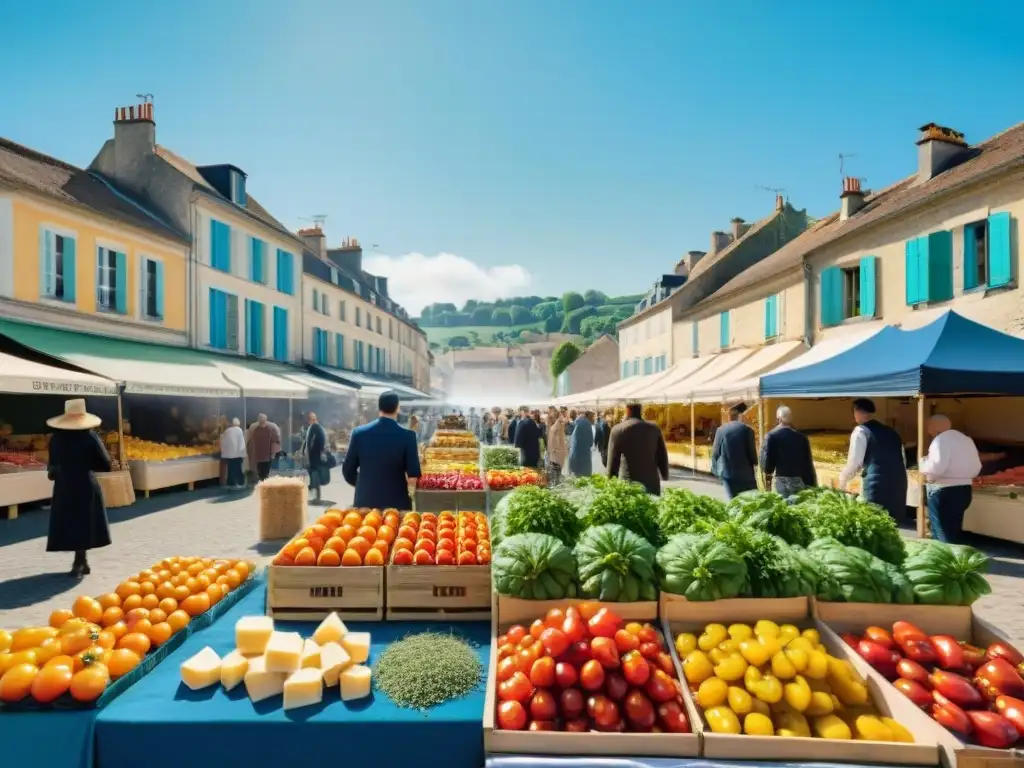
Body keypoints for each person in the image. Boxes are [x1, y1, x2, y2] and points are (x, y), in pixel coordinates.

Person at [45, 399, 112, 578]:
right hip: (85, 483)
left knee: (70, 522)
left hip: (64, 485)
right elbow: (106, 464)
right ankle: (80, 561)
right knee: (85, 522)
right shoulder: (90, 437)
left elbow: (51, 470)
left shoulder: (56, 439)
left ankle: (81, 561)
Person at [342, 391, 421, 509]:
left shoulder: (359, 433)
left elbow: (348, 470)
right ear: (397, 408)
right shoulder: (408, 436)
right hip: (397, 503)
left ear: (379, 408)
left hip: (365, 502)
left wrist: (364, 484)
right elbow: (413, 476)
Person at [839, 398, 908, 521]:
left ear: (857, 411)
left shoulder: (861, 431)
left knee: (875, 523)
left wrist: (843, 480)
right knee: (893, 524)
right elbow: (903, 458)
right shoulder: (891, 432)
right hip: (898, 483)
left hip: (875, 484)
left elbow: (855, 462)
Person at [919, 414, 981, 543]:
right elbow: (977, 466)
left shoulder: (940, 440)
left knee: (942, 531)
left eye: (928, 426)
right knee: (954, 529)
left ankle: (944, 559)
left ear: (933, 426)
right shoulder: (966, 439)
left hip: (944, 490)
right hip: (965, 489)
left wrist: (923, 464)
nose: (927, 430)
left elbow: (936, 467)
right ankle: (955, 558)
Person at [607, 402, 669, 495]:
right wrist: (665, 474)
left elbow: (613, 460)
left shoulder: (618, 430)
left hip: (629, 483)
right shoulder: (654, 429)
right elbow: (662, 455)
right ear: (641, 411)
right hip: (651, 482)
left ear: (627, 410)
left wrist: (610, 482)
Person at [760, 405, 817, 497]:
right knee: (798, 506)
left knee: (784, 507)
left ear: (778, 418)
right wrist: (812, 485)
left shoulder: (771, 436)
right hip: (799, 480)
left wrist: (768, 484)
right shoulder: (801, 437)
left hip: (782, 480)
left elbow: (767, 463)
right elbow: (808, 464)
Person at [711, 403, 758, 499]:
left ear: (729, 416)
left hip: (728, 473)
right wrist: (755, 463)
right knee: (748, 501)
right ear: (740, 415)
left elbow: (715, 452)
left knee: (733, 502)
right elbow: (752, 454)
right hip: (746, 474)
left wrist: (715, 470)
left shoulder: (721, 430)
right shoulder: (748, 430)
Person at [304, 412, 330, 503]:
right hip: (315, 457)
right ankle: (316, 496)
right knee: (314, 477)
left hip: (315, 458)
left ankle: (316, 497)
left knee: (315, 477)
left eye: (313, 419)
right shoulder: (316, 428)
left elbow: (315, 443)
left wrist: (312, 455)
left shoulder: (315, 428)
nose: (312, 421)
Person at [219, 417, 247, 490]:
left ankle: (231, 483)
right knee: (238, 469)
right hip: (237, 454)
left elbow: (223, 442)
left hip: (229, 455)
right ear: (238, 424)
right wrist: (243, 454)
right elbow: (241, 443)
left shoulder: (227, 431)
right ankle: (241, 483)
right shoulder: (239, 430)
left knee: (230, 469)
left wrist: (224, 453)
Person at [247, 414, 274, 482]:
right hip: (265, 454)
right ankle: (263, 481)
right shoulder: (268, 429)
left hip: (260, 454)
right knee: (264, 470)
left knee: (261, 470)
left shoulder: (255, 429)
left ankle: (262, 481)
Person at [568, 410, 595, 477]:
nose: (593, 419)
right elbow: (590, 442)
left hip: (574, 454)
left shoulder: (577, 422)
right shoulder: (587, 424)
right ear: (588, 416)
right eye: (592, 416)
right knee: (584, 477)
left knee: (575, 476)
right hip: (584, 456)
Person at [545, 407, 568, 484]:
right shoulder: (557, 424)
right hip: (556, 452)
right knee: (555, 473)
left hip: (556, 453)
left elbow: (555, 438)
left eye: (550, 412)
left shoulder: (558, 424)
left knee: (555, 474)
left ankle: (555, 487)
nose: (548, 414)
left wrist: (553, 449)